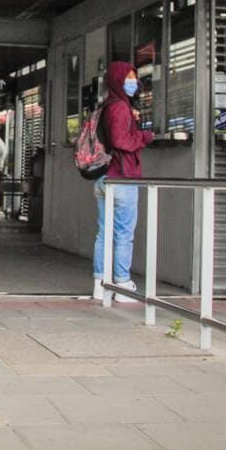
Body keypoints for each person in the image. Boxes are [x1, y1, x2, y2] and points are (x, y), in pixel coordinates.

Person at [92, 61, 154, 302]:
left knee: (103, 233)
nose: (134, 81)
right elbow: (120, 140)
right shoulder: (119, 107)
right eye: (129, 77)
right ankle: (121, 283)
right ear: (118, 80)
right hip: (122, 179)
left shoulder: (108, 106)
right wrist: (144, 136)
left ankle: (99, 283)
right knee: (123, 233)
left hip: (104, 179)